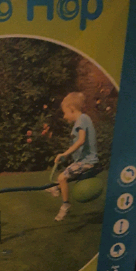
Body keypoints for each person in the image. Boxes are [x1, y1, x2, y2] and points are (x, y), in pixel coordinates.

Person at [50, 92, 98, 222]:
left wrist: (64, 153)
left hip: (87, 162)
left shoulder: (81, 119)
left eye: (65, 113)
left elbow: (81, 141)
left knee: (62, 177)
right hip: (83, 161)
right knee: (61, 178)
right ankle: (56, 188)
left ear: (72, 109)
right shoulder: (83, 120)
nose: (64, 116)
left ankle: (65, 205)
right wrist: (65, 157)